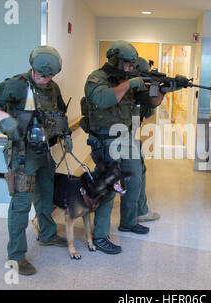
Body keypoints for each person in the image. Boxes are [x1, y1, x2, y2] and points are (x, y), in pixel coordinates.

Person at [0, 46, 72, 275]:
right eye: (39, 74)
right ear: (32, 67)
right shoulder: (17, 84)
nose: (42, 79)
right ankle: (16, 256)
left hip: (44, 152)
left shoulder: (52, 87)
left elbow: (60, 111)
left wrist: (67, 135)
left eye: (48, 76)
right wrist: (2, 116)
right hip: (22, 154)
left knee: (46, 196)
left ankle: (47, 235)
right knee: (21, 206)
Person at [81, 41, 181, 254]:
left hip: (126, 138)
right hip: (106, 140)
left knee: (134, 180)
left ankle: (128, 221)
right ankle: (99, 236)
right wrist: (129, 83)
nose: (129, 68)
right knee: (108, 190)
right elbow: (104, 99)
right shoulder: (97, 79)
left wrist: (165, 90)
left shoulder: (128, 80)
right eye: (127, 64)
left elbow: (150, 102)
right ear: (115, 60)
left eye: (132, 64)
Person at [131, 57, 160, 223]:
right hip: (120, 138)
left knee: (139, 170)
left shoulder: (136, 91)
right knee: (136, 173)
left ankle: (141, 210)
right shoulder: (124, 88)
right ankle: (140, 212)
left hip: (130, 136)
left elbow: (147, 113)